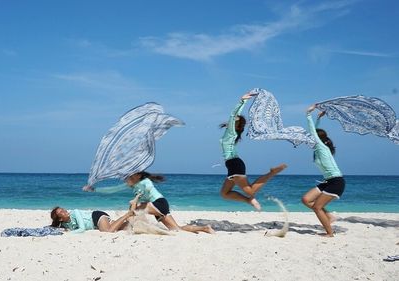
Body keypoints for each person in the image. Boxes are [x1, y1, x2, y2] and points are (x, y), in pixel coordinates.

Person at [83, 172, 214, 234]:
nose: (127, 179)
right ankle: (204, 228)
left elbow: (148, 188)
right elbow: (112, 189)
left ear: (138, 176)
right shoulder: (133, 185)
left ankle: (130, 228)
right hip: (158, 207)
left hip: (159, 203)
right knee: (176, 229)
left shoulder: (144, 182)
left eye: (130, 177)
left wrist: (138, 196)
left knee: (134, 209)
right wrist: (94, 189)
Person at [219, 92, 287, 210]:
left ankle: (271, 173)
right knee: (224, 194)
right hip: (232, 165)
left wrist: (242, 101)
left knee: (250, 191)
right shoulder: (231, 132)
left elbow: (233, 114)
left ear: (235, 124)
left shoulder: (232, 131)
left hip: (235, 164)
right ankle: (249, 200)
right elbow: (234, 117)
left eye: (234, 120)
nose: (231, 120)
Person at [302, 105, 345, 237]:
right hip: (328, 181)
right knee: (306, 199)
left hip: (336, 182)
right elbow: (315, 132)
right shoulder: (318, 149)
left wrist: (308, 114)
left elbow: (313, 133)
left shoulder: (321, 148)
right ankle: (329, 216)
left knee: (316, 207)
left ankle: (329, 233)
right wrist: (318, 118)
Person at [50, 197, 138, 233]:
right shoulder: (64, 224)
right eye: (61, 212)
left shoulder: (75, 212)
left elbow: (82, 228)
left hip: (96, 217)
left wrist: (70, 233)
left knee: (107, 231)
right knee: (126, 227)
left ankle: (128, 214)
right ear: (60, 219)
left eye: (62, 209)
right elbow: (56, 227)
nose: (64, 210)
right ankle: (132, 209)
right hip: (97, 224)